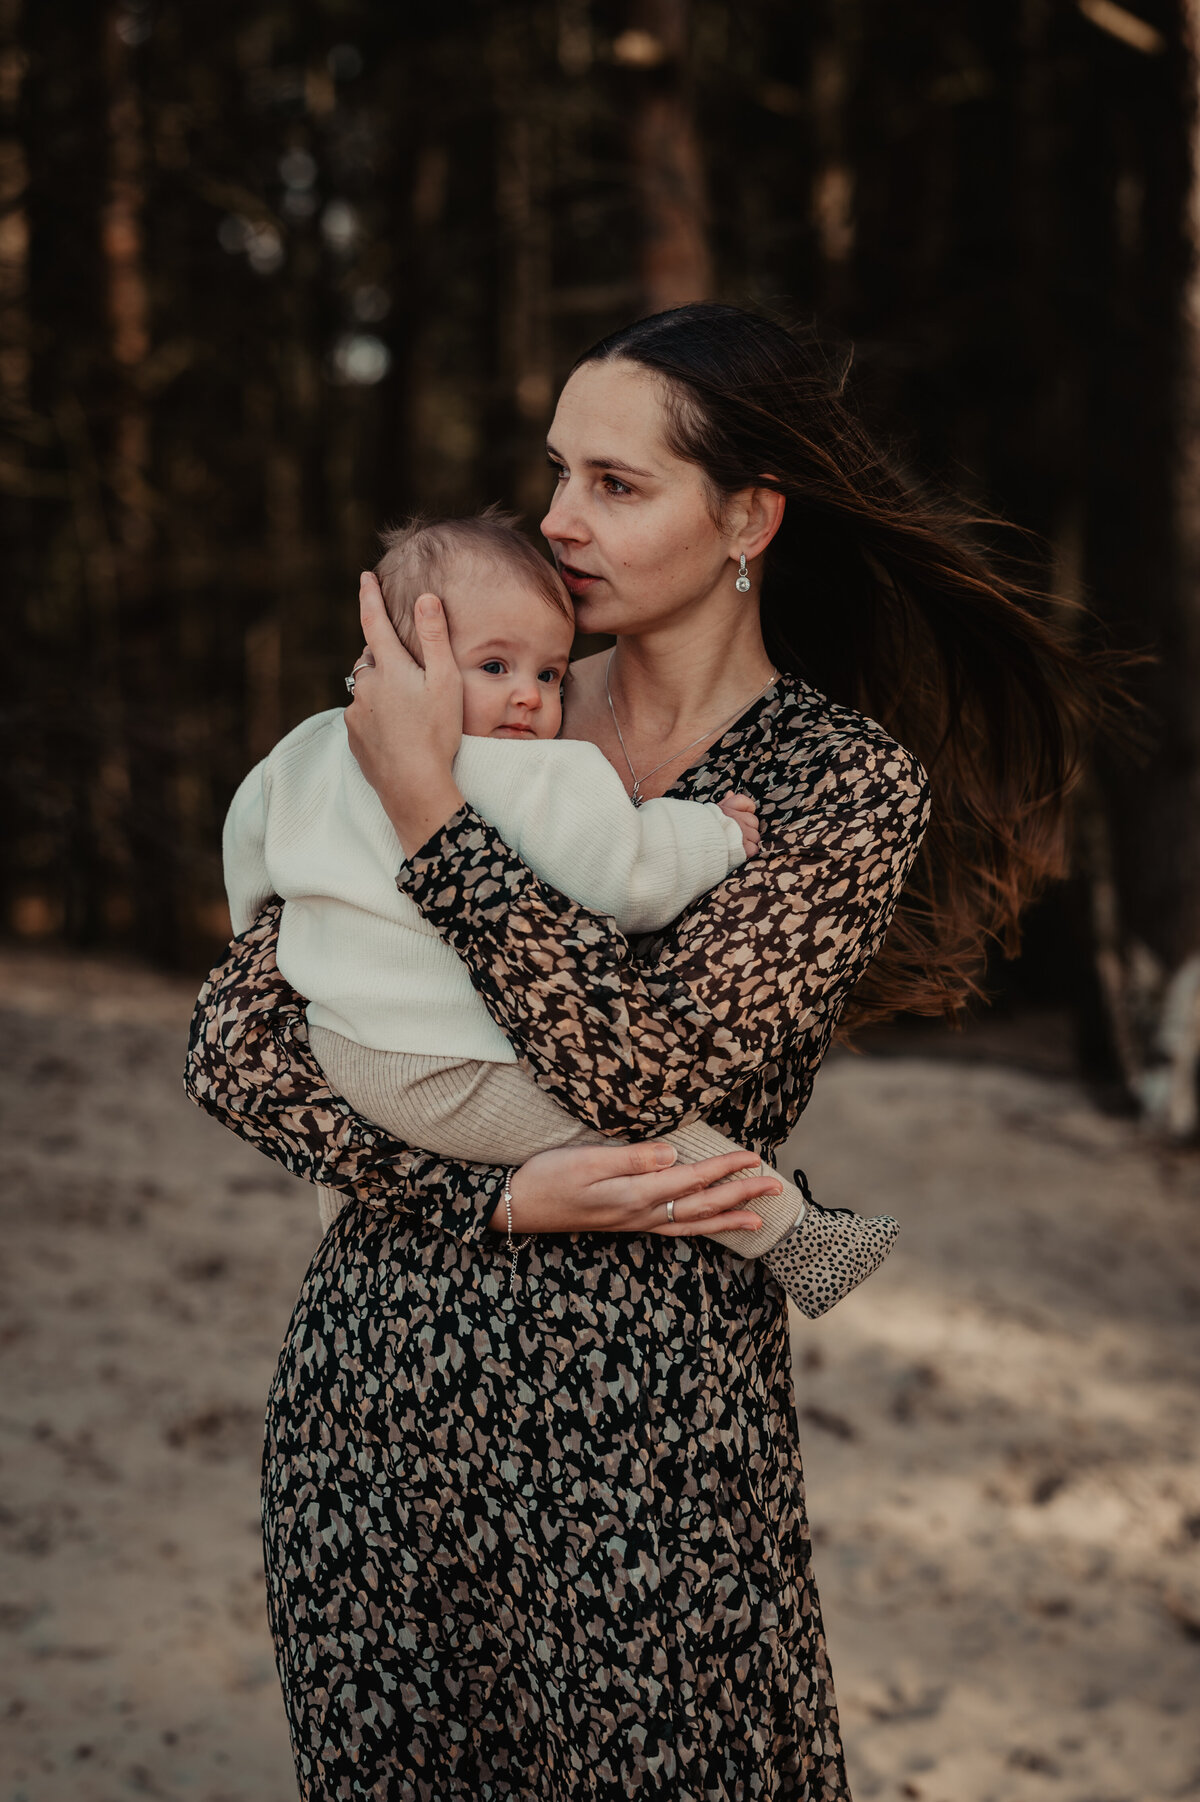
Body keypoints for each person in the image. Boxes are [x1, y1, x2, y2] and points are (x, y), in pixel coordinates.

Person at [185, 303, 1116, 1799]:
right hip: (373, 1406)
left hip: (651, 1443)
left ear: (749, 516)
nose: (558, 521)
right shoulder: (484, 690)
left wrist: (431, 817)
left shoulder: (835, 786)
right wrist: (479, 1195)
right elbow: (233, 1039)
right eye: (559, 472)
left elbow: (637, 1072)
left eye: (618, 486)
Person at [221, 507, 898, 1316]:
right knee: (657, 1149)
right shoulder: (534, 772)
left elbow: (250, 846)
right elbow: (625, 870)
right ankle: (798, 1235)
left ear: (746, 517)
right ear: (406, 656)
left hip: (342, 1047)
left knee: (358, 1186)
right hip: (447, 1073)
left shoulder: (311, 746)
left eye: (547, 674)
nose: (528, 697)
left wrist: (287, 926)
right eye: (496, 667)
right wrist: (716, 835)